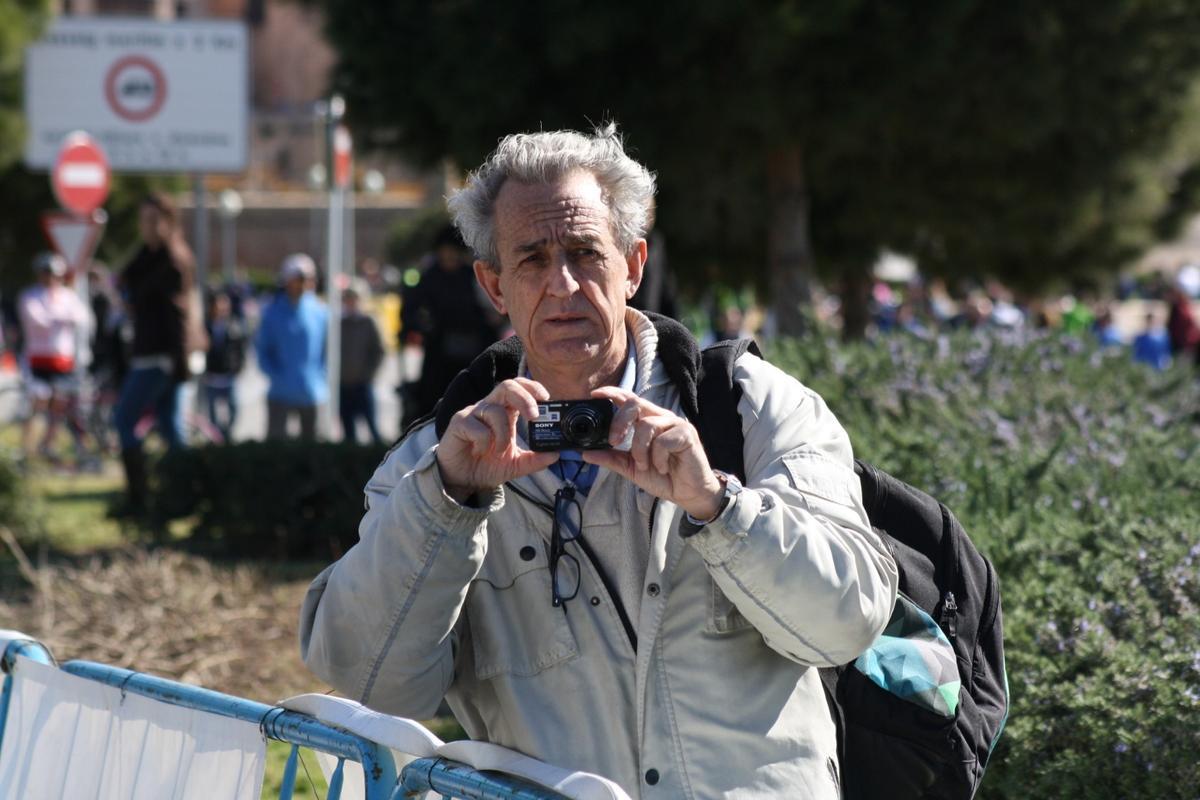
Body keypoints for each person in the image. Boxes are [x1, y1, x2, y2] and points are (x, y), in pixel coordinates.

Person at [300, 126, 898, 798]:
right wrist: (447, 503)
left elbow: (847, 624)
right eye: (531, 259)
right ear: (493, 286)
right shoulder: (437, 460)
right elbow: (372, 681)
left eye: (586, 252)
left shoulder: (751, 409)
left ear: (633, 265)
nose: (563, 284)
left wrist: (719, 505)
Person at [112, 193, 207, 515]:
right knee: (170, 427)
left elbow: (179, 315)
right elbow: (126, 283)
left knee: (124, 419)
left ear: (169, 222)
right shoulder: (148, 255)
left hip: (162, 357)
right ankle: (182, 498)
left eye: (154, 220)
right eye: (144, 220)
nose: (147, 227)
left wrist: (178, 364)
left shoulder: (172, 259)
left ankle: (140, 498)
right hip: (156, 355)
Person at [398, 224, 504, 429]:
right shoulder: (428, 277)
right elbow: (410, 310)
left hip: (474, 351)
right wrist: (422, 328)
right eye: (445, 252)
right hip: (438, 354)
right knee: (434, 405)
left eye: (453, 252)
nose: (449, 257)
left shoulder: (472, 276)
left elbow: (491, 310)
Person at [17, 252, 91, 464]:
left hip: (62, 360)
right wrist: (61, 318)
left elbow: (80, 317)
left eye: (56, 275)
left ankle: (47, 445)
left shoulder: (68, 296)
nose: (51, 279)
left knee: (60, 403)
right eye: (47, 274)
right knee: (38, 400)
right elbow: (38, 321)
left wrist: (57, 318)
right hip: (37, 360)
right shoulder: (30, 295)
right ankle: (25, 447)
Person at [255, 253, 328, 440]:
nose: (303, 284)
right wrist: (276, 375)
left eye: (308, 279)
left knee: (312, 444)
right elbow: (263, 350)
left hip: (312, 392)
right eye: (298, 279)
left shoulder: (320, 311)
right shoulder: (272, 313)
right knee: (277, 443)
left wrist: (320, 376)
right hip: (280, 392)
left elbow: (327, 350)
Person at [338, 283, 385, 444]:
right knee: (347, 429)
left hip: (363, 383)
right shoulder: (339, 323)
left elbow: (379, 351)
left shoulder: (368, 322)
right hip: (343, 384)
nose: (350, 302)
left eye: (354, 299)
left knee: (372, 428)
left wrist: (368, 374)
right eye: (347, 299)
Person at [201, 290, 247, 442]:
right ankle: (216, 438)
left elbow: (241, 348)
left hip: (229, 375)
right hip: (212, 376)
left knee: (234, 408)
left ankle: (227, 433)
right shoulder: (205, 326)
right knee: (212, 413)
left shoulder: (234, 325)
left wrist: (238, 367)